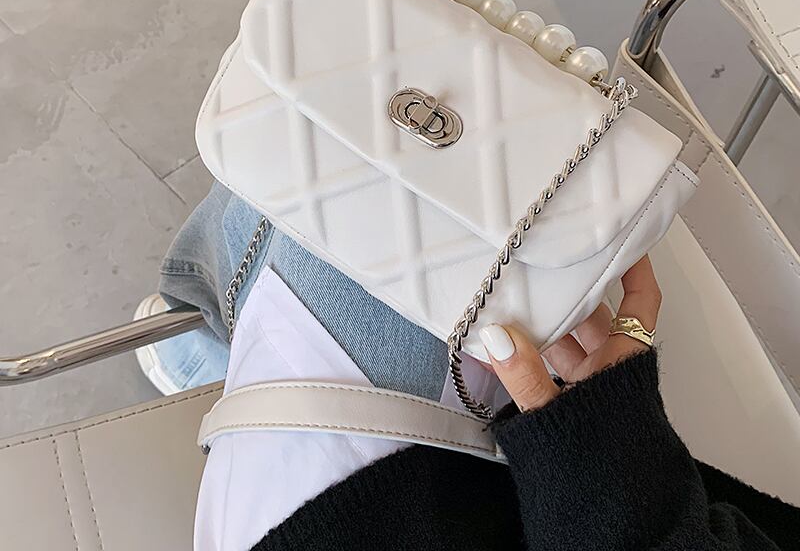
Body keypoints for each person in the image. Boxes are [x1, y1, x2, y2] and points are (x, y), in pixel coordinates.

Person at [137, 187, 799, 549]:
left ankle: (206, 341)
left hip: (384, 517)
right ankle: (221, 348)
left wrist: (606, 468)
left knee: (379, 179)